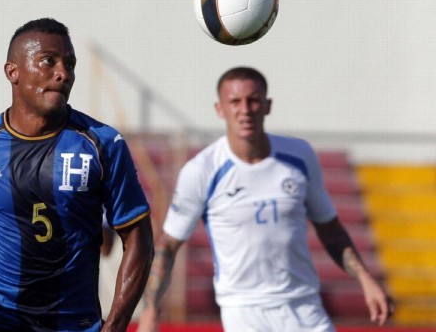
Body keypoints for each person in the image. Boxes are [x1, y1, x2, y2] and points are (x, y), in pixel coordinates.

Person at [0, 18, 154, 332]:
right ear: (13, 72)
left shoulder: (102, 144)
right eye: (48, 61)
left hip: (72, 324)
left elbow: (139, 237)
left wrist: (116, 324)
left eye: (70, 64)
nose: (63, 73)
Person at [137, 67, 394, 332]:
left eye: (254, 99)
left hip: (304, 306)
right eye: (235, 102)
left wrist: (365, 279)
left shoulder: (300, 156)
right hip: (244, 311)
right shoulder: (202, 170)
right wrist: (150, 311)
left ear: (267, 105)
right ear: (220, 109)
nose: (245, 109)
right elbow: (168, 246)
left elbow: (330, 229)